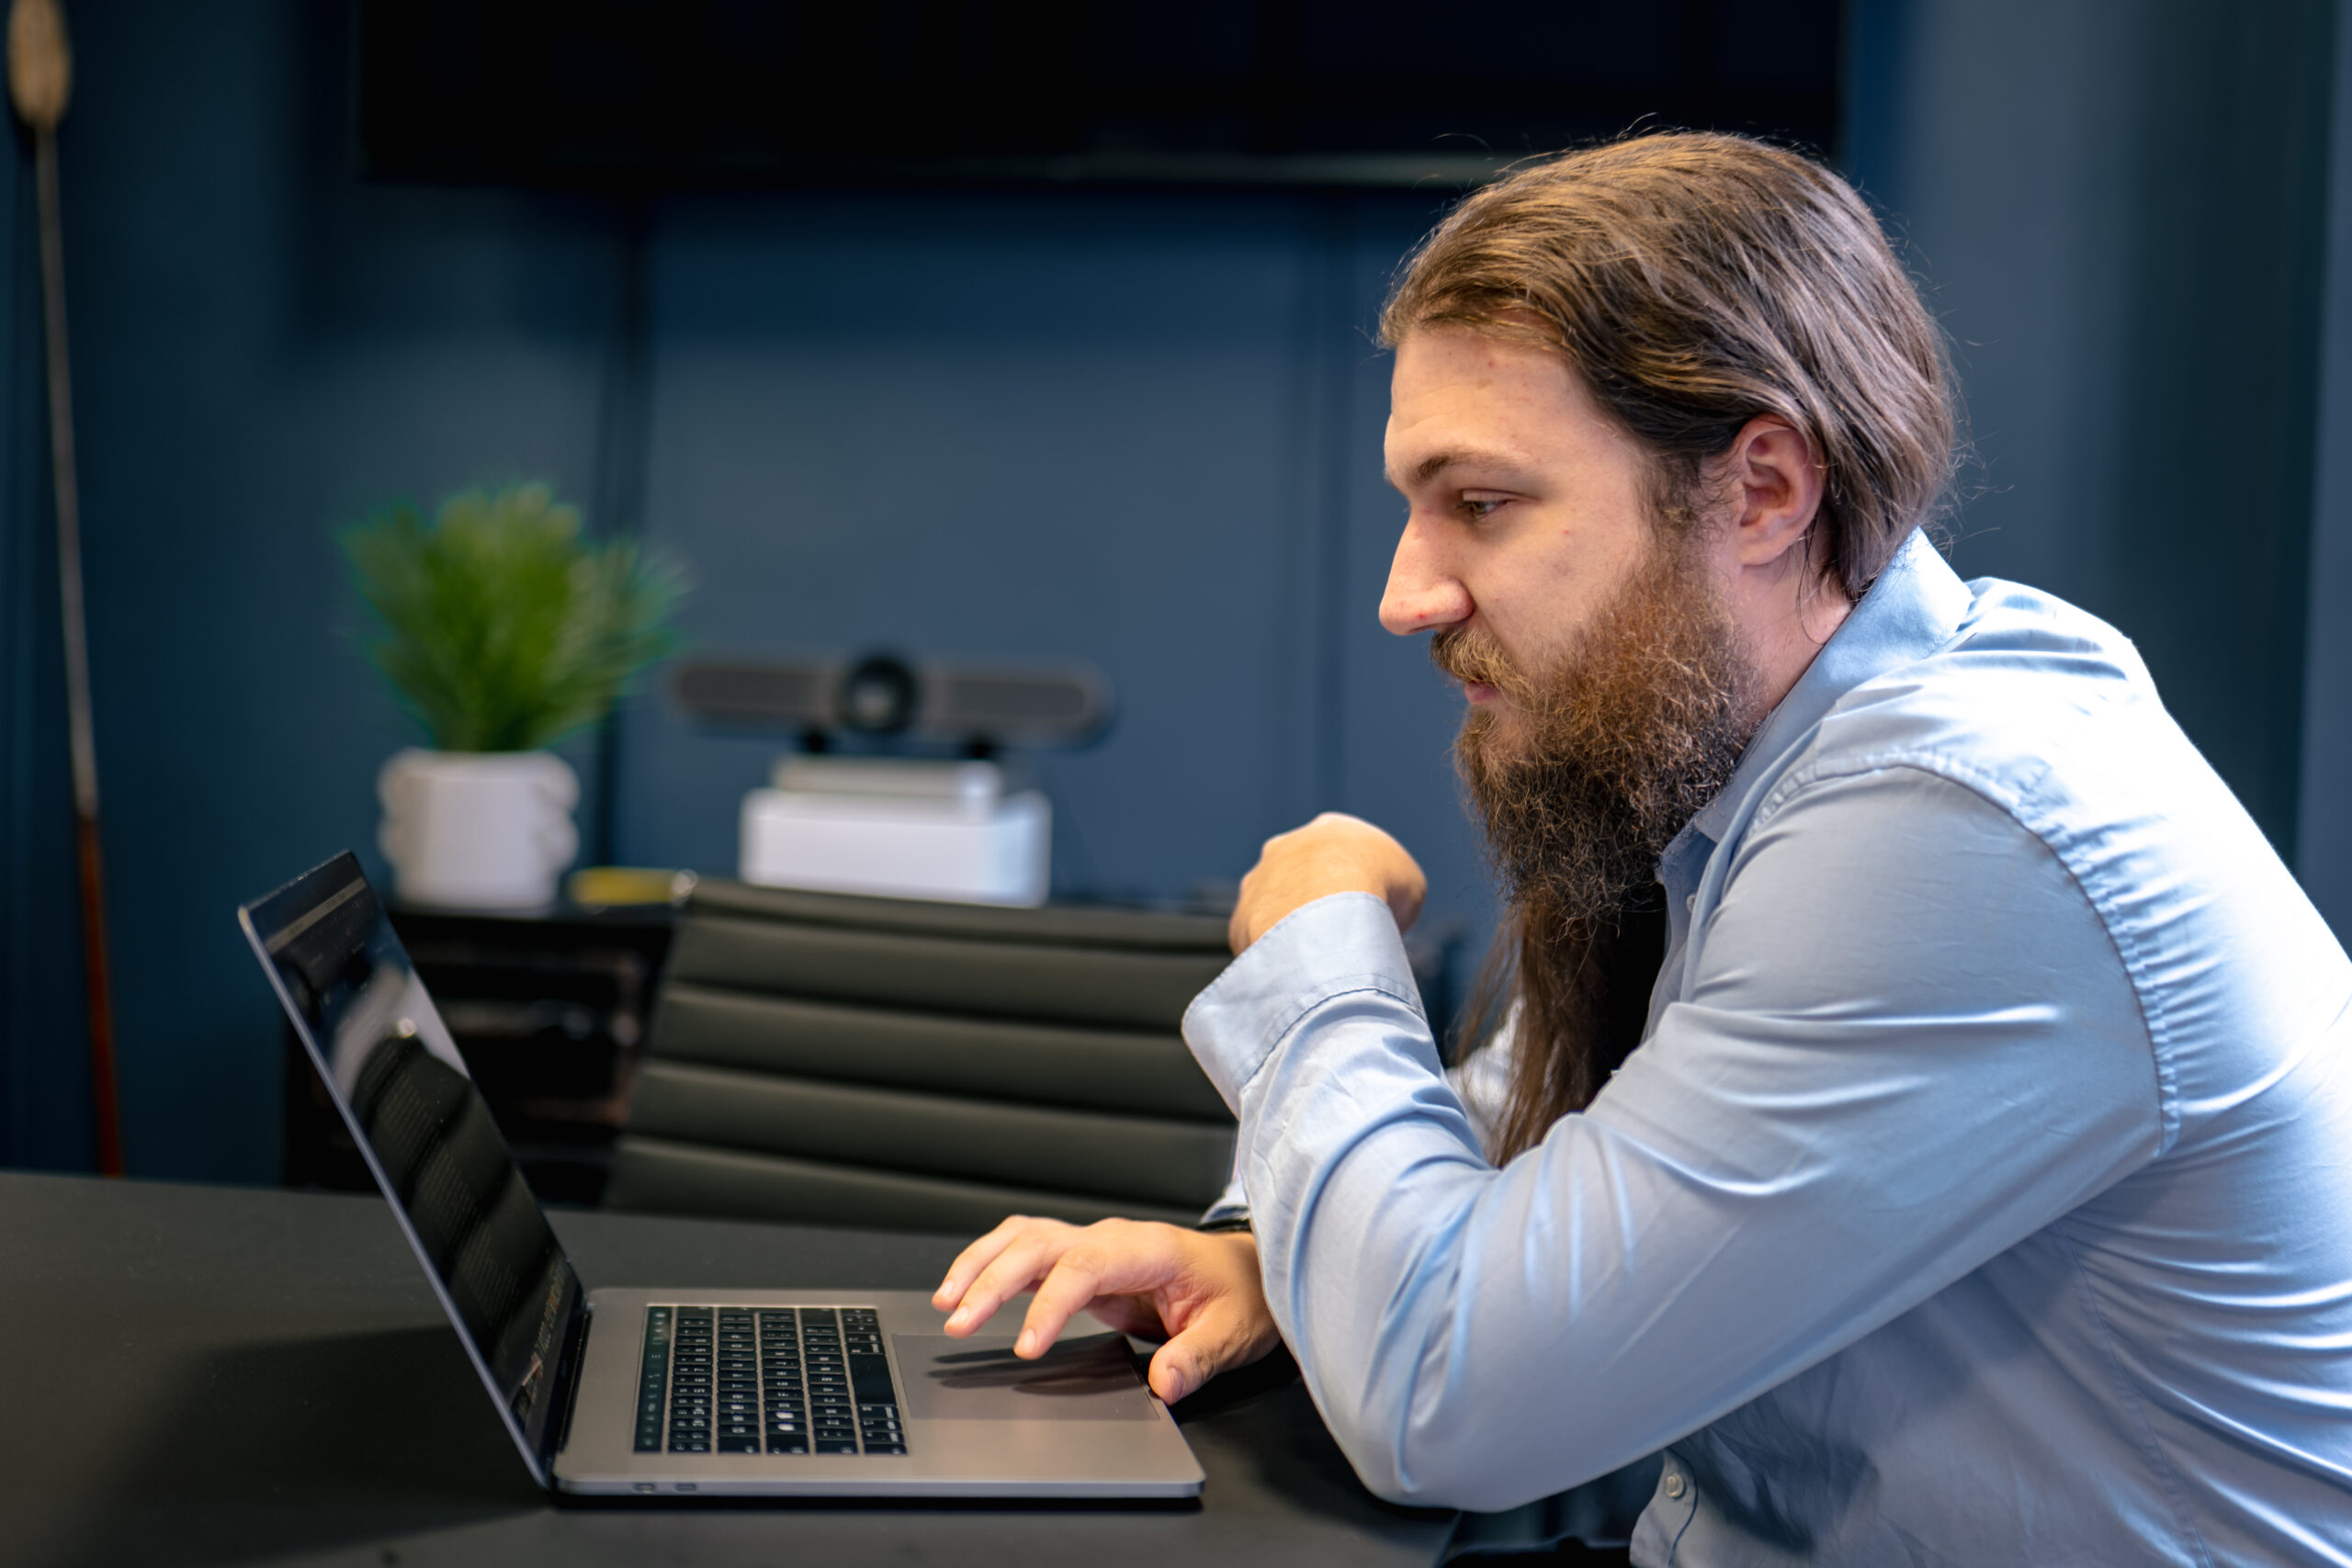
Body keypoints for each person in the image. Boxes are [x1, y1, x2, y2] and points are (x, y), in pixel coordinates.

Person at [933, 132, 2352, 1563]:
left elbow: (1451, 1396)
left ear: (1763, 492)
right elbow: (1539, 1145)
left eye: (1480, 504)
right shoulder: (1768, 755)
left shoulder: (1967, 834)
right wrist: (1267, 1260)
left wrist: (1323, 947)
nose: (1405, 594)